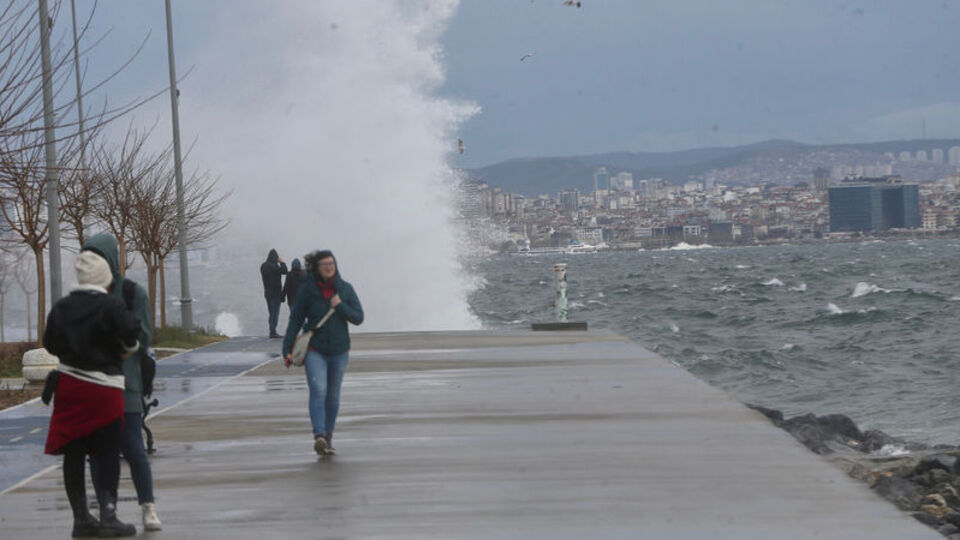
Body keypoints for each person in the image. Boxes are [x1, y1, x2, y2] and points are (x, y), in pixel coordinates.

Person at [43, 251, 141, 537]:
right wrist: (125, 350)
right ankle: (108, 514)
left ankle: (81, 518)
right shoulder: (111, 305)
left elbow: (50, 342)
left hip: (70, 386)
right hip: (104, 387)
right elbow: (132, 332)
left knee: (73, 454)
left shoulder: (62, 307)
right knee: (108, 452)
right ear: (104, 278)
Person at [84, 233, 162, 532]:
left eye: (99, 256)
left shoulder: (131, 293)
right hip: (92, 385)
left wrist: (113, 344)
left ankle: (148, 506)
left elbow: (143, 338)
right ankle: (106, 508)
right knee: (95, 454)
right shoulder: (85, 295)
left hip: (125, 384)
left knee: (133, 448)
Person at [282, 250, 363, 455]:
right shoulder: (308, 290)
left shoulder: (345, 289)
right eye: (324, 264)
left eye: (332, 263)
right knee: (319, 389)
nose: (329, 266)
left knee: (333, 396)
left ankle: (328, 437)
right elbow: (295, 320)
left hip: (339, 350)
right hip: (314, 348)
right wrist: (287, 349)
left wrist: (340, 306)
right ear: (316, 268)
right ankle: (318, 435)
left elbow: (358, 317)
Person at [260, 249, 288, 338]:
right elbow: (285, 271)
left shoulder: (263, 266)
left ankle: (272, 330)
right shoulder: (275, 267)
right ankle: (273, 332)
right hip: (276, 293)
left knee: (271, 313)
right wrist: (282, 262)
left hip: (267, 293)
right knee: (275, 313)